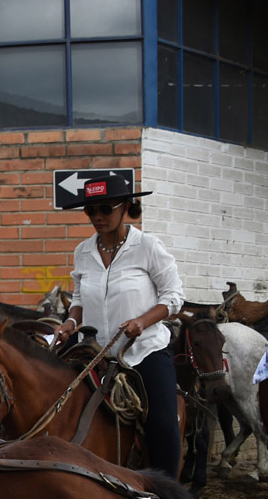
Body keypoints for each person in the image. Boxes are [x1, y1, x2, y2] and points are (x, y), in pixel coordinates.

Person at [53, 174, 186, 476]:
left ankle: (169, 496)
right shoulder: (83, 251)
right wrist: (71, 321)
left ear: (125, 207)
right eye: (90, 211)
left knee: (163, 422)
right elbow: (79, 297)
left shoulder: (147, 246)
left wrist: (142, 320)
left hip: (144, 351)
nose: (97, 217)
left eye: (105, 209)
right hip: (95, 351)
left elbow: (175, 296)